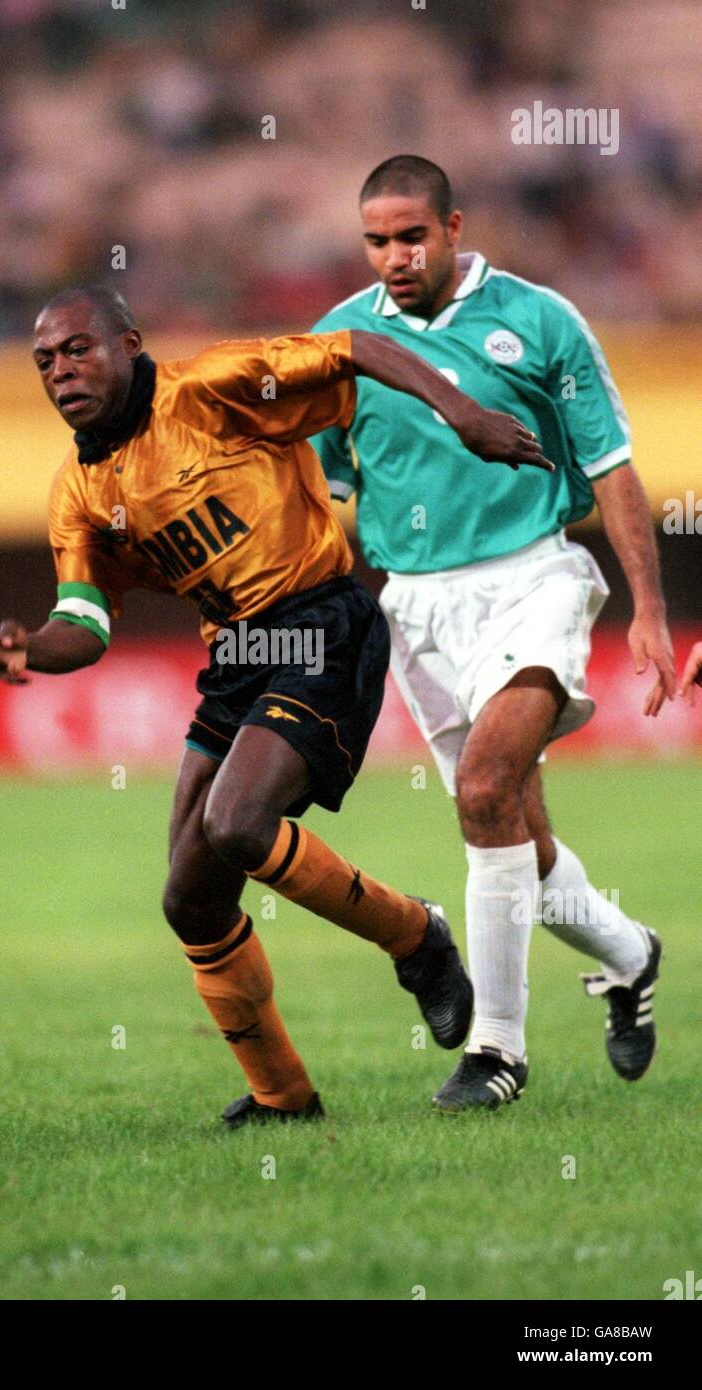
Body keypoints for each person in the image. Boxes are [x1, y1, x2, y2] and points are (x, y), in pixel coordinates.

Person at [0, 283, 550, 1127]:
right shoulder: (79, 492)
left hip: (320, 621)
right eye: (44, 361)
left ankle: (415, 938)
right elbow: (84, 622)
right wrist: (29, 645)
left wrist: (462, 413)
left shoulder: (215, 388)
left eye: (77, 349)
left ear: (130, 343)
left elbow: (356, 348)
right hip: (238, 653)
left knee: (238, 824)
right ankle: (286, 1098)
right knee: (189, 898)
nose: (60, 371)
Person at [310, 156, 675, 1112]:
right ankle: (632, 957)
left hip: (533, 580)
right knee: (522, 838)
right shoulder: (341, 343)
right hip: (416, 606)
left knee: (481, 793)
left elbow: (614, 469)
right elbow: (319, 496)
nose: (395, 256)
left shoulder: (542, 319)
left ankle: (497, 1052)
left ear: (454, 226)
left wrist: (649, 608)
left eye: (412, 236)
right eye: (377, 241)